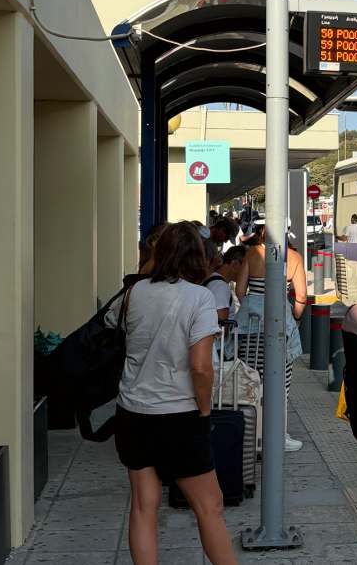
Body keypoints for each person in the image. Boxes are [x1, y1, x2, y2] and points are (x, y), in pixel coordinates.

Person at [108, 221, 237, 565]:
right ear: (198, 255)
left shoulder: (134, 293)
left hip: (132, 413)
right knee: (210, 507)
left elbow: (110, 327)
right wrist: (205, 411)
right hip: (179, 415)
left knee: (142, 507)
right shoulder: (200, 298)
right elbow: (200, 367)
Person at [234, 221, 307, 452]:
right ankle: (278, 435)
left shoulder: (251, 253)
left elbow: (239, 290)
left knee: (251, 378)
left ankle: (250, 434)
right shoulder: (294, 258)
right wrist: (294, 317)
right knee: (280, 383)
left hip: (250, 326)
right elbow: (302, 297)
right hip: (279, 326)